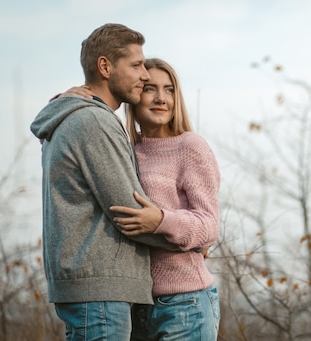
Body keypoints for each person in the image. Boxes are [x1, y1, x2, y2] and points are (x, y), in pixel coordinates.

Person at [30, 24, 179, 340]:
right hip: (99, 291)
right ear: (105, 67)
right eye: (136, 65)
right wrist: (188, 240)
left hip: (94, 289)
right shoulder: (94, 122)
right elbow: (129, 210)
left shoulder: (78, 117)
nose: (145, 76)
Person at [66, 58, 221, 340]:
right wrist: (67, 101)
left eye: (169, 89)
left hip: (185, 303)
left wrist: (161, 221)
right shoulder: (124, 147)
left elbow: (209, 225)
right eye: (150, 89)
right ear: (135, 95)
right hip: (135, 304)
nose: (161, 98)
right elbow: (66, 143)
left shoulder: (190, 146)